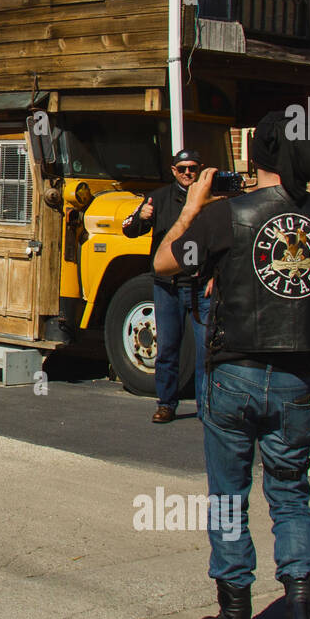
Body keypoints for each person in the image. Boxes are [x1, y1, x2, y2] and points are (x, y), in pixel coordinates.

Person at [152, 110, 310, 619]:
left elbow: (163, 262)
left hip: (233, 373)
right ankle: (305, 611)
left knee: (229, 496)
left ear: (256, 154)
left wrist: (194, 204)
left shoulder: (225, 217)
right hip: (297, 379)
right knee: (290, 495)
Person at [122, 149, 212, 423]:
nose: (187, 173)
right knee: (168, 348)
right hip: (168, 286)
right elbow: (129, 229)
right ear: (173, 171)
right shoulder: (158, 198)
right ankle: (166, 403)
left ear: (200, 169)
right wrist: (143, 217)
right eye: (182, 168)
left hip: (200, 286)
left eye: (193, 168)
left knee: (206, 350)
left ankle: (205, 407)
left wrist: (215, 276)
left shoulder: (213, 199)